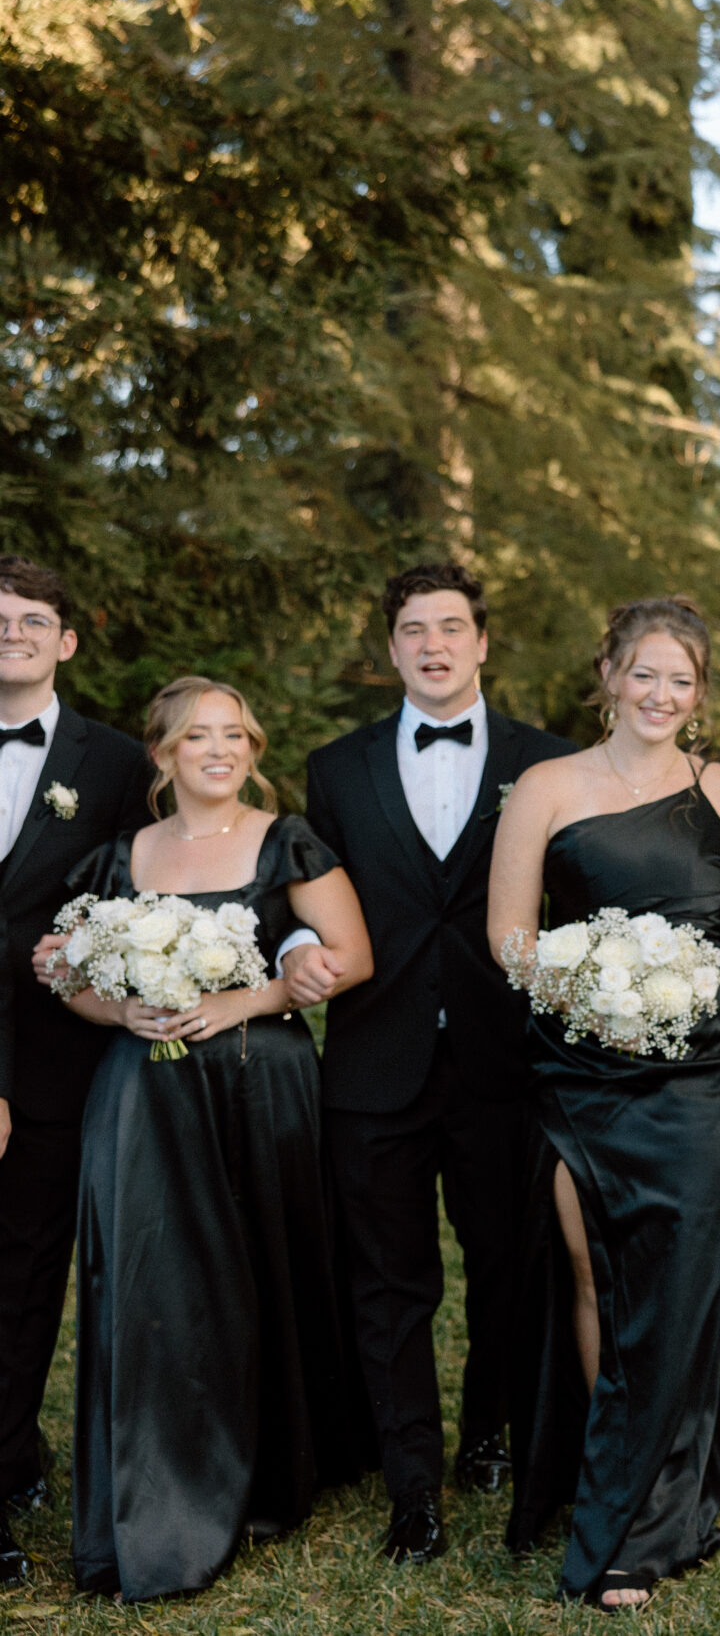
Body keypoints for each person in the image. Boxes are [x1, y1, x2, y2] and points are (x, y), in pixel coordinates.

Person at [54, 677, 373, 1600]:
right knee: (155, 1277)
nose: (222, 750)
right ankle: (159, 1478)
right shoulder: (119, 857)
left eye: (236, 734)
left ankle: (272, 1466)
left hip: (257, 1083)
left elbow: (351, 955)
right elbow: (66, 972)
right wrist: (122, 1009)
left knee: (260, 1264)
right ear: (162, 756)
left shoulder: (288, 841)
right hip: (142, 1094)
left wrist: (251, 996)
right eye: (200, 737)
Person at [300, 563, 577, 1564]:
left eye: (451, 627)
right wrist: (299, 956)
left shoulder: (549, 764)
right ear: (390, 649)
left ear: (482, 642)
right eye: (412, 629)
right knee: (389, 1279)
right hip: (376, 1062)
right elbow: (304, 898)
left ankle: (493, 1434)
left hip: (509, 1063)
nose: (433, 645)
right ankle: (410, 1481)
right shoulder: (336, 769)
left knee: (509, 1264)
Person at [489, 596, 720, 1610]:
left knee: (687, 1281)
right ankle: (611, 1477)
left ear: (700, 693)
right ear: (607, 673)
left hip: (701, 1075)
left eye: (680, 680)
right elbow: (511, 937)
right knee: (593, 1269)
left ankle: (652, 1510)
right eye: (644, 673)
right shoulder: (548, 787)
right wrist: (588, 991)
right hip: (580, 1070)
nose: (661, 695)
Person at [0, 557, 151, 1589]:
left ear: (67, 642)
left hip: (57, 1066)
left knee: (22, 1285)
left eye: (33, 619)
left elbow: (148, 900)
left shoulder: (116, 764)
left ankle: (9, 1454)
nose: (11, 630)